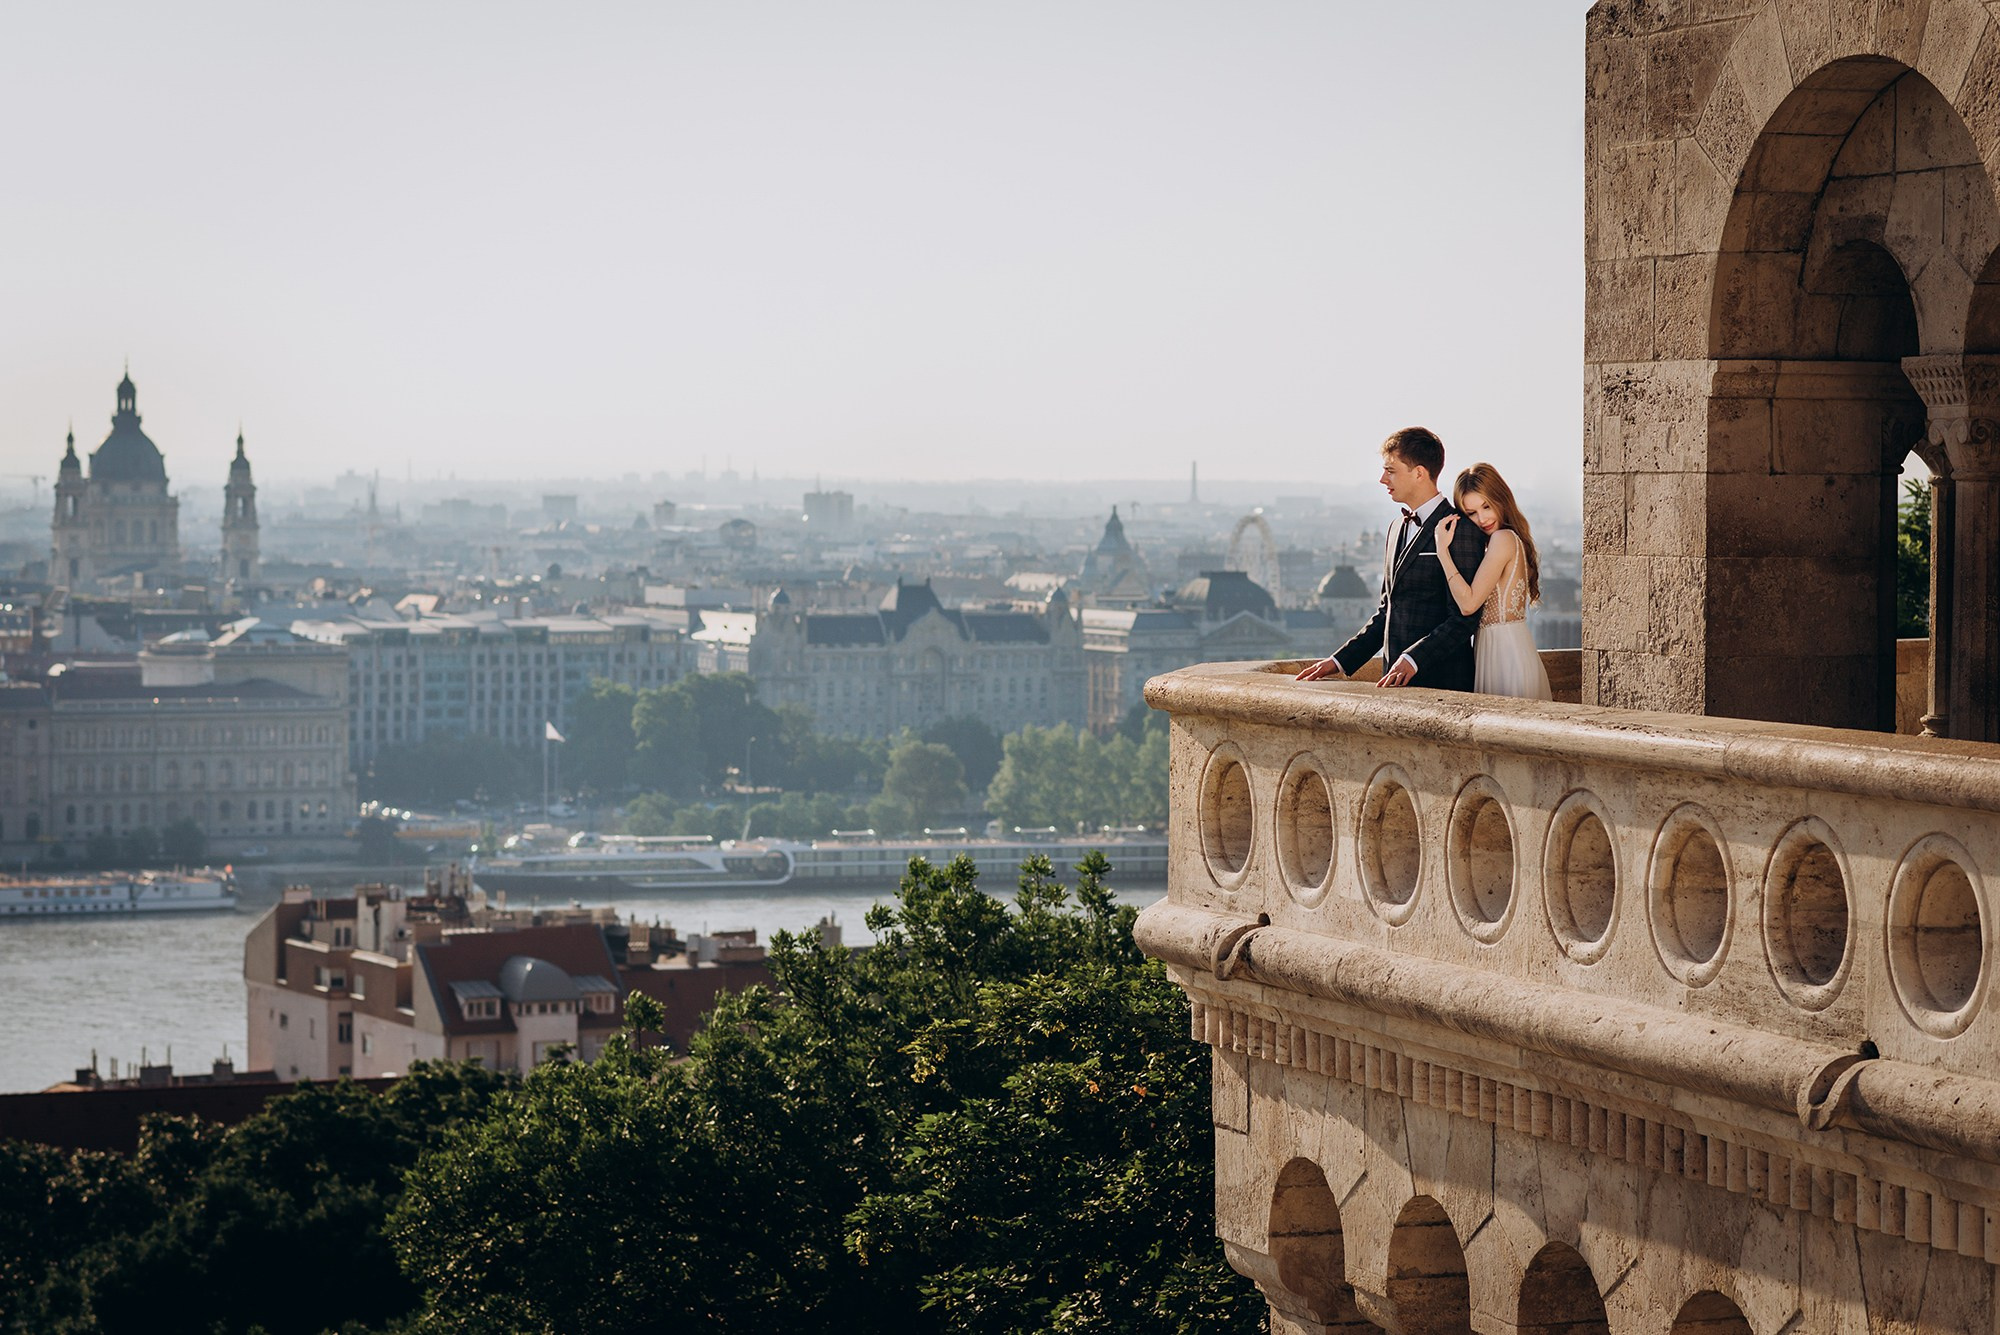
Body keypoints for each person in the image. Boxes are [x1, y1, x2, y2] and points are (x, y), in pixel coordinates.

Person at [1296, 427, 1485, 690]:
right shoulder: (1396, 528)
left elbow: (1464, 618)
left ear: (1419, 473)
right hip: (1394, 682)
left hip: (1444, 683)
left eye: (1391, 470)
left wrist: (1412, 659)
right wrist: (1339, 661)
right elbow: (1388, 612)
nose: (1382, 479)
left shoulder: (1460, 529)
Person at [1433, 462, 1553, 701]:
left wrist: (1442, 552)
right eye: (1472, 513)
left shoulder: (1502, 538)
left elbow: (1468, 604)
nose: (1483, 518)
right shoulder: (1507, 539)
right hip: (1506, 648)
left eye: (1486, 506)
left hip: (1505, 654)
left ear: (1501, 498)